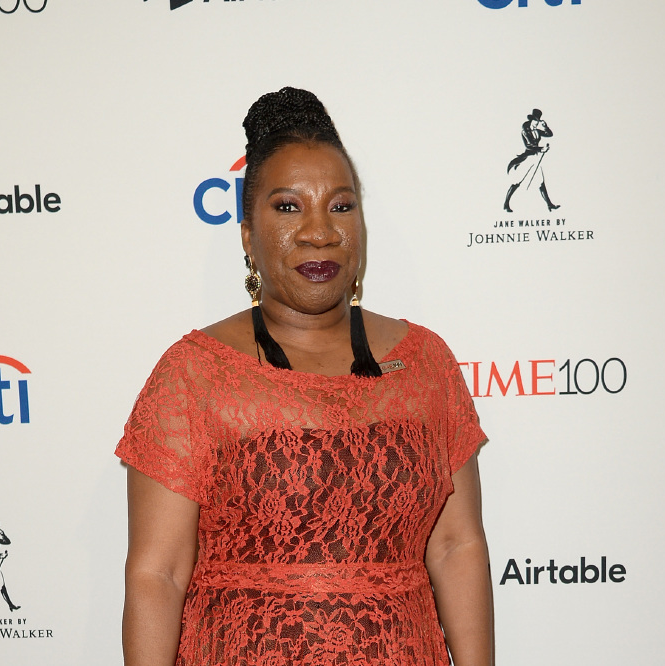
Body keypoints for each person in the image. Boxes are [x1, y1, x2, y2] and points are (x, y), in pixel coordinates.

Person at [117, 87, 493, 665]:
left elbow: (456, 546)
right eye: (288, 207)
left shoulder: (426, 364)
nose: (320, 232)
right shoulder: (193, 374)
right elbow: (158, 574)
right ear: (246, 234)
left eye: (341, 206)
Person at [503, 109, 559, 213]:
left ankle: (549, 205)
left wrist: (545, 126)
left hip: (536, 158)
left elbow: (550, 134)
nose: (537, 123)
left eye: (538, 122)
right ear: (531, 120)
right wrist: (541, 149)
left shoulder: (537, 131)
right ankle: (506, 204)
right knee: (517, 181)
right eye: (535, 121)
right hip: (528, 158)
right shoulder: (525, 131)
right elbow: (529, 145)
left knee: (541, 182)